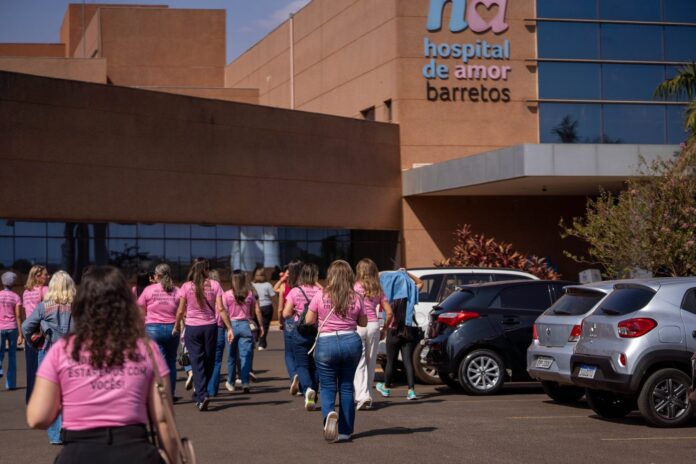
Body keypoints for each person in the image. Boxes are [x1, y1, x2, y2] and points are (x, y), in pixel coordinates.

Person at [26, 266, 175, 463]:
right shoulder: (146, 349)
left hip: (79, 453)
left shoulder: (61, 350)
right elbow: (163, 419)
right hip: (135, 451)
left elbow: (37, 417)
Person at [306, 260, 367, 443]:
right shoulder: (356, 297)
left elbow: (309, 320)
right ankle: (345, 431)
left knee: (327, 386)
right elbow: (363, 323)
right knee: (347, 386)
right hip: (351, 341)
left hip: (326, 343)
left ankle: (329, 415)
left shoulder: (320, 295)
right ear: (349, 276)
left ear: (330, 275)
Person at [22, 270, 76, 444]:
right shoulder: (77, 306)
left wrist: (34, 344)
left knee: (50, 395)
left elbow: (25, 327)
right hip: (71, 353)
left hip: (48, 352)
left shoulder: (44, 306)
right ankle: (70, 429)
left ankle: (55, 436)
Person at [174, 258, 233, 411]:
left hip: (192, 328)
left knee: (197, 362)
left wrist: (176, 326)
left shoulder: (186, 286)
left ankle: (201, 394)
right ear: (206, 270)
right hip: (210, 327)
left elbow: (180, 310)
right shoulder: (215, 285)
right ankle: (201, 393)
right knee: (209, 361)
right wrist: (229, 328)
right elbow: (221, 309)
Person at [376, 269, 424, 401]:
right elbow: (420, 283)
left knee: (391, 361)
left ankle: (386, 388)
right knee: (408, 361)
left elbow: (378, 277)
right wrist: (406, 274)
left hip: (393, 331)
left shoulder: (387, 295)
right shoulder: (411, 292)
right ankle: (411, 391)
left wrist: (394, 274)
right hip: (408, 330)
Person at [353, 259, 393, 410]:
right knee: (371, 362)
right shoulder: (378, 289)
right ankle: (367, 395)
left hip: (359, 325)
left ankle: (361, 396)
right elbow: (389, 313)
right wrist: (385, 329)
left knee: (359, 361)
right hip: (374, 325)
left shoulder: (355, 287)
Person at [282, 263, 321, 410]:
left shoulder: (295, 291)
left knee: (302, 364)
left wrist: (296, 313)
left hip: (300, 331)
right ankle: (314, 393)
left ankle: (307, 390)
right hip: (317, 331)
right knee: (315, 365)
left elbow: (285, 314)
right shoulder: (320, 291)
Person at [137, 264, 180, 397]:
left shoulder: (149, 290)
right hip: (173, 329)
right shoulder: (177, 290)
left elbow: (140, 309)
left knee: (157, 364)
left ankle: (160, 394)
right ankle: (171, 393)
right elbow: (182, 309)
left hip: (153, 329)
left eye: (155, 274)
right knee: (171, 362)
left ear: (158, 276)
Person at [223, 271, 264, 393]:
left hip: (231, 325)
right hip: (246, 325)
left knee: (231, 356)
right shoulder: (249, 294)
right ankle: (245, 382)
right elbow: (252, 313)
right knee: (245, 356)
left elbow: (224, 312)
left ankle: (230, 382)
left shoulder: (227, 295)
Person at [274, 259, 303, 394]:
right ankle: (304, 381)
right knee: (303, 352)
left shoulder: (284, 286)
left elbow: (280, 308)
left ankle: (293, 376)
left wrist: (280, 322)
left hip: (290, 320)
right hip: (305, 321)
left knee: (289, 353)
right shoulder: (306, 285)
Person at [22, 265, 49, 402]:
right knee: (44, 368)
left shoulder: (26, 292)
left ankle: (30, 399)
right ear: (37, 276)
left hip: (29, 332)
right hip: (42, 333)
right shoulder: (45, 290)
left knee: (31, 367)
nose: (48, 276)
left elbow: (26, 313)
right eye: (45, 274)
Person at [0, 271, 23, 391]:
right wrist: (20, 334)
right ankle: (11, 384)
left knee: (0, 351)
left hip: (0, 327)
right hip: (12, 327)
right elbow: (18, 316)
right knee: (12, 355)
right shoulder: (16, 297)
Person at [206, 269, 227, 397]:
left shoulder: (202, 292)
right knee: (217, 360)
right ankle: (212, 389)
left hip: (205, 326)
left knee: (205, 358)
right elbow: (225, 311)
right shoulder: (222, 294)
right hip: (219, 327)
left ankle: (203, 387)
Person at [251, 266, 275, 350]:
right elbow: (273, 296)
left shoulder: (252, 285)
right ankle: (262, 343)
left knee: (255, 325)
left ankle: (255, 339)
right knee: (265, 325)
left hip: (255, 307)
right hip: (267, 306)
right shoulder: (268, 285)